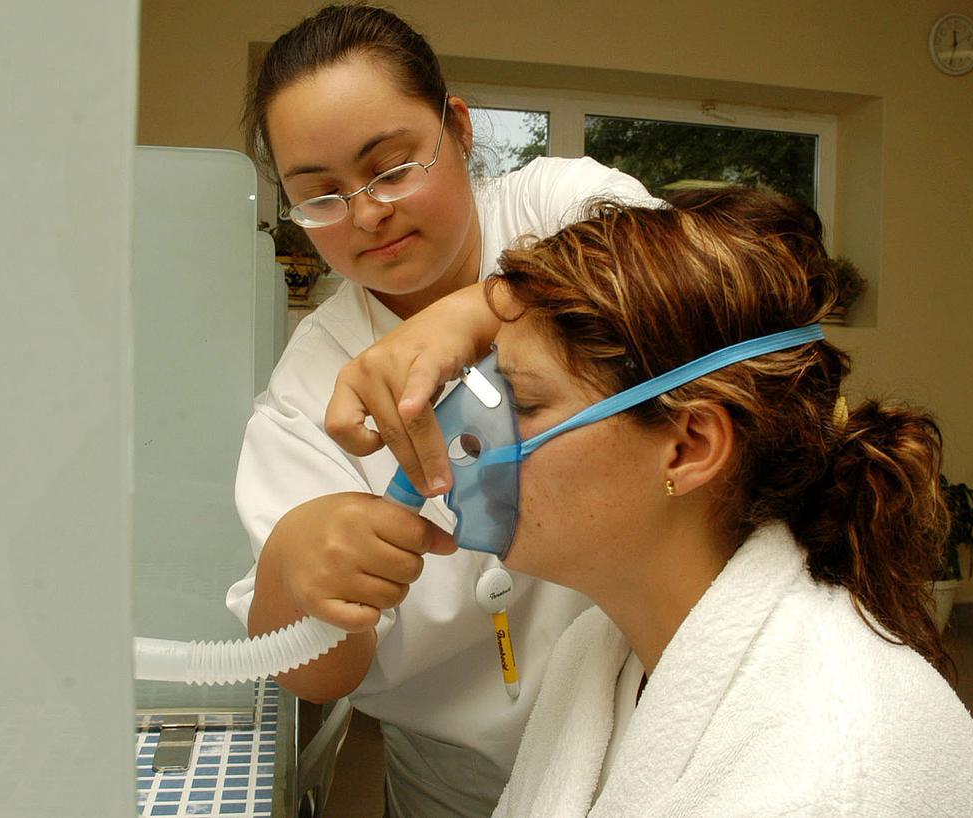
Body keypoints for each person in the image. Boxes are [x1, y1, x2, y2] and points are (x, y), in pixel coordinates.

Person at [331, 191, 973, 816]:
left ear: (689, 446)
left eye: (528, 401)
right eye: (491, 385)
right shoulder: (599, 654)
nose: (471, 436)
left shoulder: (822, 779)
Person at [226, 4, 658, 814]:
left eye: (391, 169)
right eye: (319, 197)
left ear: (456, 129)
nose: (366, 214)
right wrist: (295, 568)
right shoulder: (310, 385)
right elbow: (318, 673)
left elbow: (697, 285)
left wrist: (478, 312)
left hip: (660, 728)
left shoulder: (558, 207)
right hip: (461, 781)